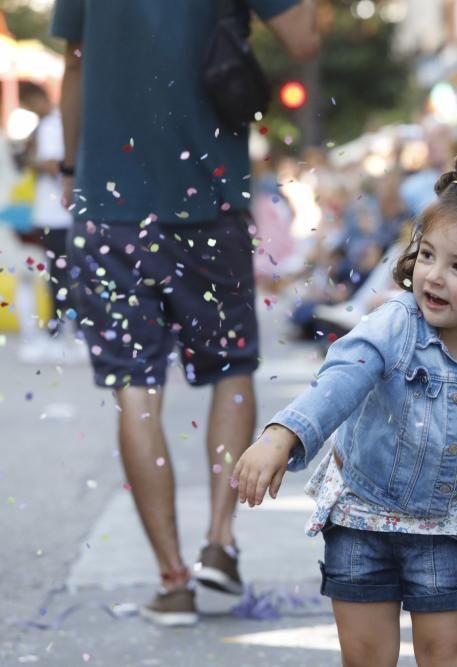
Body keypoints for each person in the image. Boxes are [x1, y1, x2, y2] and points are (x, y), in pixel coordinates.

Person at [52, 0, 318, 626]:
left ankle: (172, 580)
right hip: (208, 195)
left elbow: (73, 66)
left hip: (109, 206)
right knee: (231, 370)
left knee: (136, 392)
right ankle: (220, 544)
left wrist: (71, 167)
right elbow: (303, 36)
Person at [233, 151, 457, 667]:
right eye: (427, 256)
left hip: (447, 526)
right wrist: (281, 435)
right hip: (363, 516)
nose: (434, 276)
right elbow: (339, 380)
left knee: (449, 654)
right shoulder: (397, 323)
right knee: (366, 658)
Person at [16, 82, 82, 364]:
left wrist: (33, 160)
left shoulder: (54, 124)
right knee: (59, 274)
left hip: (59, 214)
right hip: (52, 213)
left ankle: (65, 331)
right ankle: (63, 330)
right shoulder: (47, 124)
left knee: (62, 276)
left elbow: (57, 164)